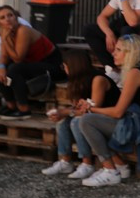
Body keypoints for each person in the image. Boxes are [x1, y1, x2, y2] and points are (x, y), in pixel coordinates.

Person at [76, 35, 140, 187]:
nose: (113, 53)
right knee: (89, 121)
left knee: (87, 121)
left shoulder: (135, 73)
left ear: (130, 53)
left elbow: (118, 112)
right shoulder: (137, 71)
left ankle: (110, 170)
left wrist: (91, 109)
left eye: (118, 50)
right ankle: (117, 166)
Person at [41, 50, 119, 179]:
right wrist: (63, 113)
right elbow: (78, 107)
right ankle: (65, 161)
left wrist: (66, 111)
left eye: (65, 66)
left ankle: (87, 163)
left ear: (73, 66)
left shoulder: (97, 79)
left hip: (109, 118)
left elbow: (93, 108)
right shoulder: (77, 81)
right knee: (63, 121)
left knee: (77, 121)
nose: (64, 69)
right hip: (93, 117)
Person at [0, 5, 66, 120]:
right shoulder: (6, 32)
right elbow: (5, 55)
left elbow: (18, 59)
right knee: (2, 70)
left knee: (14, 69)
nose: (7, 19)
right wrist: (1, 67)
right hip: (33, 65)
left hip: (52, 66)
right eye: (2, 17)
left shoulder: (23, 30)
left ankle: (24, 109)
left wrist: (5, 40)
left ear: (16, 17)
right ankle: (11, 105)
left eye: (10, 15)